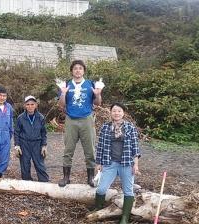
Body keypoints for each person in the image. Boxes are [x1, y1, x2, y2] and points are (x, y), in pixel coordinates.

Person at [58, 59, 103, 187]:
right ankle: (66, 177)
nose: (78, 70)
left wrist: (98, 95)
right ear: (72, 71)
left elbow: (97, 103)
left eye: (80, 68)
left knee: (90, 150)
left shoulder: (90, 84)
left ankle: (90, 178)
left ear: (84, 71)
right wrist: (63, 93)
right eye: (75, 68)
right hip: (71, 120)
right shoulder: (66, 84)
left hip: (87, 119)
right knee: (68, 149)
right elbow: (61, 105)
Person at [94, 103, 141, 224]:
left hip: (126, 163)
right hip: (110, 163)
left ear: (123, 113)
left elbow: (135, 148)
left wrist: (135, 165)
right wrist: (98, 162)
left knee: (128, 191)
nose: (116, 113)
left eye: (119, 111)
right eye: (114, 111)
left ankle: (125, 217)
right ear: (111, 113)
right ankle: (98, 209)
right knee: (101, 189)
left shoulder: (130, 127)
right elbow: (100, 147)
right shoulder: (105, 127)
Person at [14, 95, 49, 182]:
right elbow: (17, 132)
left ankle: (44, 182)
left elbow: (43, 132)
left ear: (36, 105)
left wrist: (44, 145)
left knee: (39, 164)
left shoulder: (41, 117)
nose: (30, 106)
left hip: (37, 143)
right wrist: (17, 145)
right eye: (28, 104)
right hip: (24, 143)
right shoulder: (20, 118)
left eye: (32, 104)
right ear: (25, 105)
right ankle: (27, 182)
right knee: (25, 164)